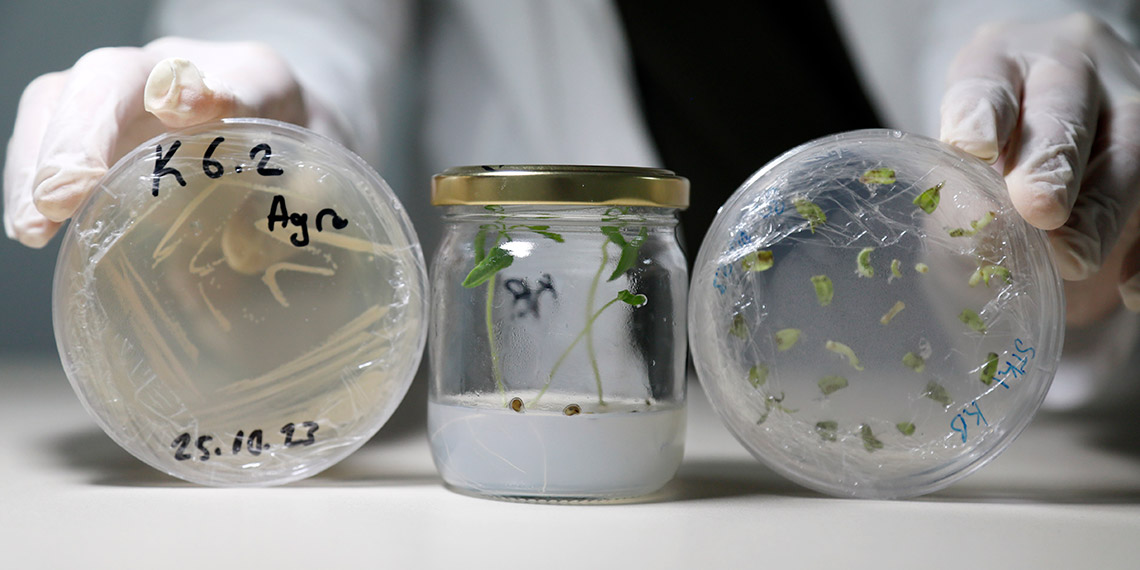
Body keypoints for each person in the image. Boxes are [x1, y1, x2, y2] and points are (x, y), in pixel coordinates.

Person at [5, 0, 1140, 408]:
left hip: (998, 443)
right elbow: (305, 26)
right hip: (570, 370)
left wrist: (1057, 76)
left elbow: (998, 34)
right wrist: (262, 109)